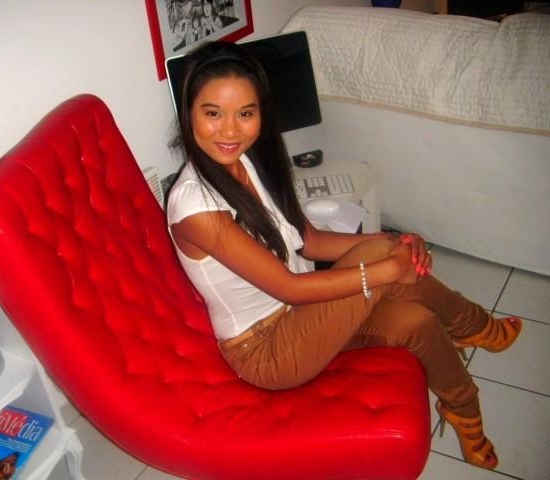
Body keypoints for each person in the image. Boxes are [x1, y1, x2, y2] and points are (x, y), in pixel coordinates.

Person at [165, 40, 522, 471]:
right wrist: (388, 265)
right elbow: (290, 287)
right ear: (189, 114)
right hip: (267, 349)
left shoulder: (248, 161)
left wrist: (395, 243)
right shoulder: (195, 207)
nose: (230, 131)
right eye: (213, 113)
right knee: (383, 255)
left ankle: (464, 411)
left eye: (245, 113)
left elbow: (309, 241)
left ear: (261, 113)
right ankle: (475, 326)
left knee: (416, 321)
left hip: (303, 317)